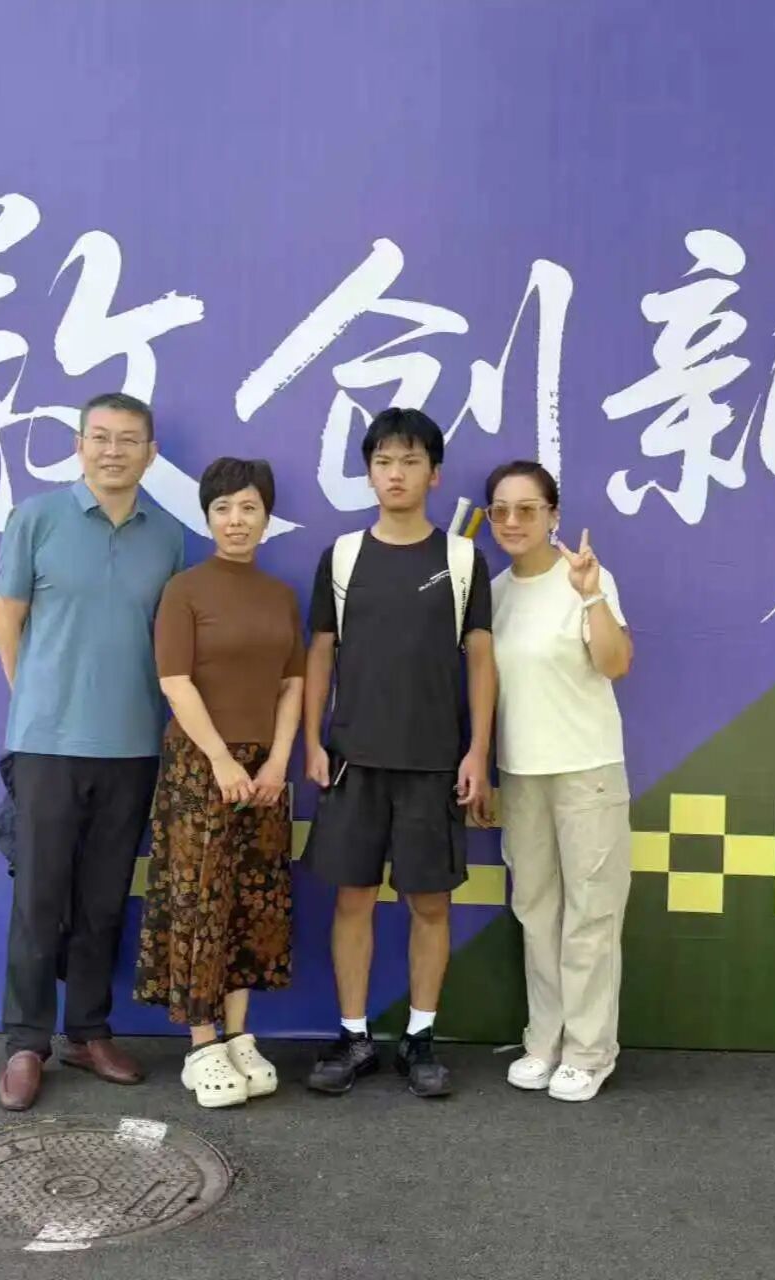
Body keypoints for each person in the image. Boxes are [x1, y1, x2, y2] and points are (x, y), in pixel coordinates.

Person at [0, 391, 185, 1111]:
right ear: (79, 446)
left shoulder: (168, 537)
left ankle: (89, 1030)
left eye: (128, 439)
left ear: (150, 454)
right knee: (39, 897)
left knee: (104, 899)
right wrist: (40, 700)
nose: (113, 451)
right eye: (100, 437)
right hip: (46, 743)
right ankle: (25, 1043)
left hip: (133, 745)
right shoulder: (36, 518)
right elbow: (7, 622)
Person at [301, 407, 495, 1099]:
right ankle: (354, 1036)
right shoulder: (342, 556)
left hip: (434, 763)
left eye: (411, 461)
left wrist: (477, 751)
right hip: (353, 761)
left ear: (434, 474)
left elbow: (481, 661)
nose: (396, 474)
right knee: (352, 900)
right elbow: (320, 653)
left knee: (430, 905)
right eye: (384, 461)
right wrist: (312, 740)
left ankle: (420, 1038)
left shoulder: (463, 560)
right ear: (369, 472)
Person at [133, 457, 305, 1108]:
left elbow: (293, 684)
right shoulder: (185, 590)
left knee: (252, 903)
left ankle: (238, 1034)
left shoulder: (281, 595)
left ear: (267, 516)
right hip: (199, 767)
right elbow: (174, 682)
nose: (237, 520)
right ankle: (201, 1044)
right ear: (207, 518)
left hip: (265, 772)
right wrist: (222, 761)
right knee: (200, 900)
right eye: (223, 508)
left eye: (249, 508)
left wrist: (277, 762)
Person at [483, 460, 634, 1103]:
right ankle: (543, 1041)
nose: (513, 521)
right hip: (520, 774)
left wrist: (591, 594)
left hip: (586, 769)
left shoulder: (586, 579)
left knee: (591, 914)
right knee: (536, 912)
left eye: (528, 509)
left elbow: (616, 663)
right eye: (501, 510)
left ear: (553, 515)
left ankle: (590, 1051)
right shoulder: (493, 592)